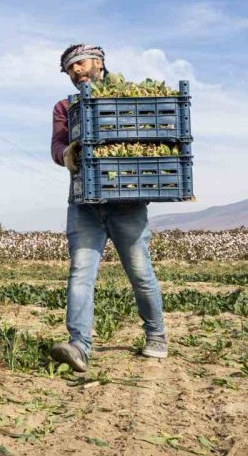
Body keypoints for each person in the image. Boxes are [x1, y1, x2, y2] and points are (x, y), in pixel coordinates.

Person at [48, 44, 167, 372]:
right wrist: (65, 155)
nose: (76, 71)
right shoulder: (65, 107)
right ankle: (79, 346)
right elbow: (57, 144)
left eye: (80, 63)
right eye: (69, 68)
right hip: (84, 204)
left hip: (126, 203)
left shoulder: (127, 97)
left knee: (140, 273)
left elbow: (154, 133)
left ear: (98, 63)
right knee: (81, 274)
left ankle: (156, 336)